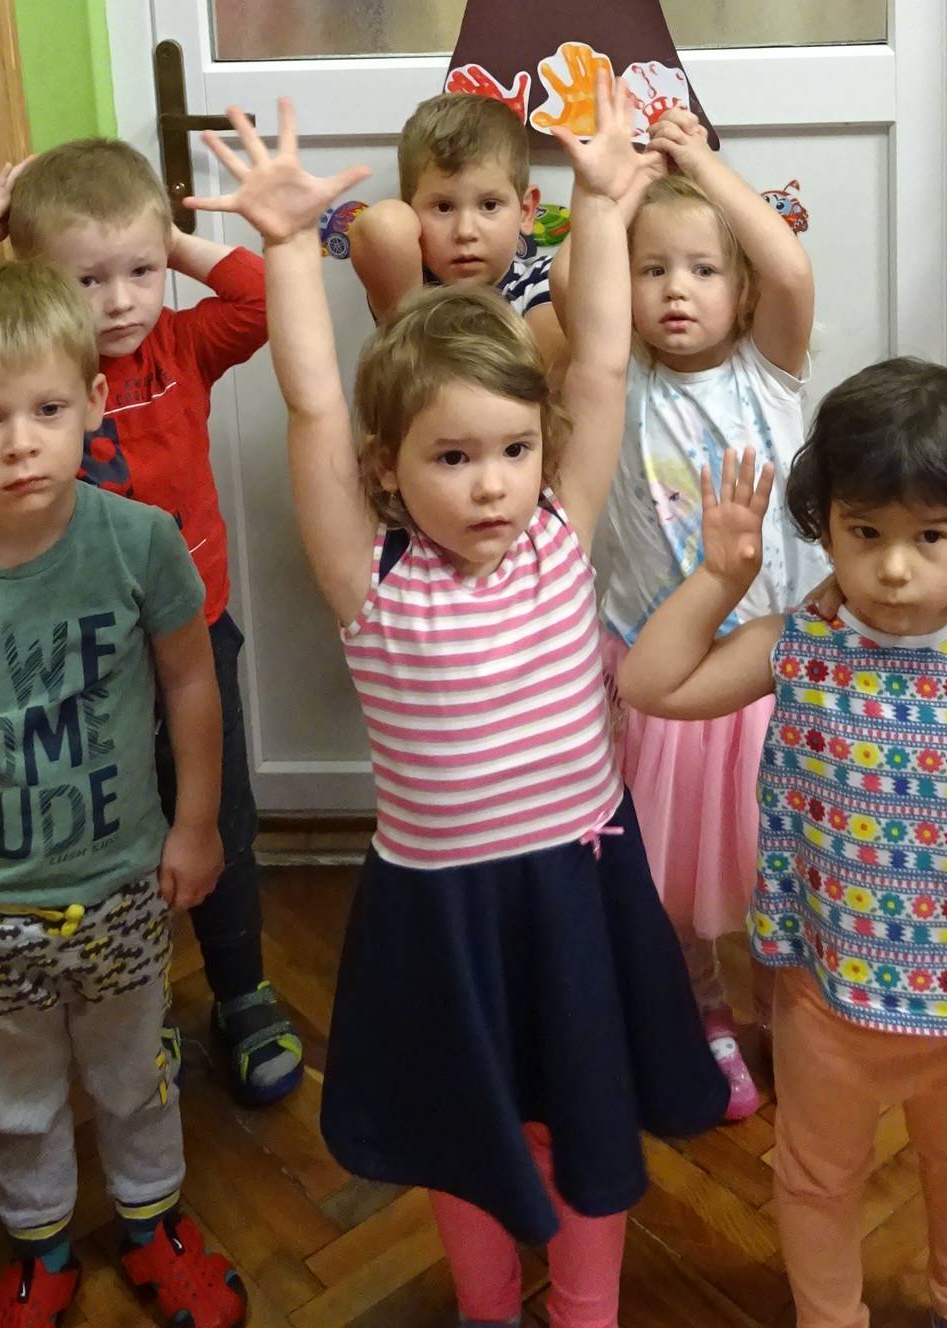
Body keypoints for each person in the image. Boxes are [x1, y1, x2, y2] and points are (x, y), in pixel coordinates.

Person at [188, 77, 726, 1328]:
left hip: (579, 888)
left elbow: (600, 364)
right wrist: (285, 246)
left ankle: (584, 1309)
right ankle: (490, 1310)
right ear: (388, 471)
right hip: (443, 913)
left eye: (512, 452)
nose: (491, 485)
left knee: (586, 1112)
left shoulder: (558, 535)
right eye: (452, 457)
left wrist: (600, 205)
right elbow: (314, 405)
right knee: (470, 1130)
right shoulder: (369, 580)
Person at [618, 362, 947, 1328]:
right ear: (824, 527)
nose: (895, 570)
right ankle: (829, 1314)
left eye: (929, 537)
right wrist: (720, 577)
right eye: (866, 534)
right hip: (827, 1004)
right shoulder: (797, 643)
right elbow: (651, 686)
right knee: (817, 1176)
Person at [0, 261, 246, 1328]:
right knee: (13, 1101)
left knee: (135, 1074)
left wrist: (197, 822)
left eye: (47, 411)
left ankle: (153, 1224)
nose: (20, 443)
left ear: (95, 404)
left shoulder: (139, 543)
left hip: (122, 886)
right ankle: (39, 1246)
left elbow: (191, 681)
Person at [0, 138, 302, 1106]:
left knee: (215, 815)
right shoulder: (29, 370)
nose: (119, 302)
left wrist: (167, 239)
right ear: (37, 279)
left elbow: (267, 296)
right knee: (115, 824)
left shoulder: (181, 344)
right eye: (87, 280)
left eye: (139, 274)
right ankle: (135, 1003)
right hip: (73, 658)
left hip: (193, 638)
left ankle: (242, 990)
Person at [559, 104, 819, 1117]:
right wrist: (607, 191)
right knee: (671, 882)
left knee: (776, 871)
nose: (676, 289)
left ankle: (783, 1010)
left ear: (739, 290)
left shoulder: (772, 373)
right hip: (658, 678)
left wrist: (700, 163)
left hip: (762, 679)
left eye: (704, 270)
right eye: (653, 269)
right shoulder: (616, 384)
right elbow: (578, 293)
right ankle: (701, 1009)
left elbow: (788, 270)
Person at [348, 89, 564, 368]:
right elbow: (383, 227)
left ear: (525, 211)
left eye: (489, 205)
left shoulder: (540, 283)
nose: (465, 232)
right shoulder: (411, 288)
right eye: (443, 207)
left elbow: (545, 380)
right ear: (411, 214)